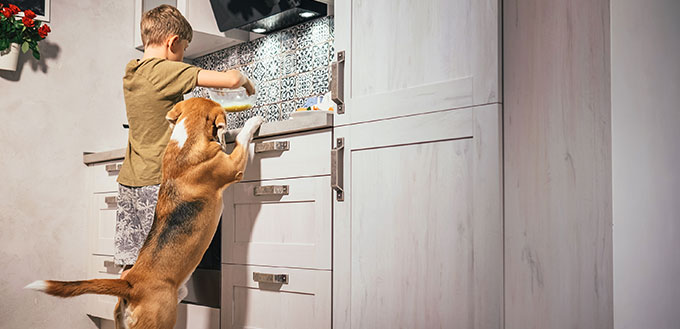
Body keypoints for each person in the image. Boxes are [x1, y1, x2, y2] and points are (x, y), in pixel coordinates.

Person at [115, 4, 255, 279]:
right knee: (158, 270)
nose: (182, 58)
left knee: (132, 269)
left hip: (130, 181)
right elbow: (230, 80)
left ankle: (126, 319)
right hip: (159, 181)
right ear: (172, 42)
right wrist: (246, 82)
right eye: (183, 51)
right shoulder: (165, 70)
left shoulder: (133, 70)